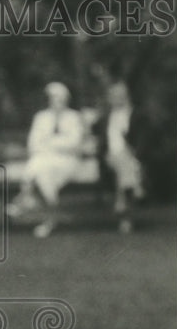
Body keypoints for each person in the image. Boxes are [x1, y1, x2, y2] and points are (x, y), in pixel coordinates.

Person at [7, 82, 85, 238]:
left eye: (62, 98)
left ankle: (25, 196)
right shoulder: (41, 117)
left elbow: (74, 144)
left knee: (38, 165)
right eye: (55, 98)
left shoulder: (74, 117)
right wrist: (58, 143)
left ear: (67, 99)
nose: (58, 102)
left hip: (67, 163)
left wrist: (50, 143)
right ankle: (49, 221)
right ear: (49, 99)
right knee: (43, 173)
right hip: (45, 161)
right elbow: (33, 144)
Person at [99, 81, 146, 233]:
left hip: (131, 157)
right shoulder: (106, 117)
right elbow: (100, 141)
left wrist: (135, 154)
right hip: (110, 157)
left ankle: (121, 202)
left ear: (126, 96)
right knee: (125, 162)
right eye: (113, 95)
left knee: (125, 162)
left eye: (120, 95)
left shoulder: (136, 115)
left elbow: (142, 140)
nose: (115, 98)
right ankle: (136, 187)